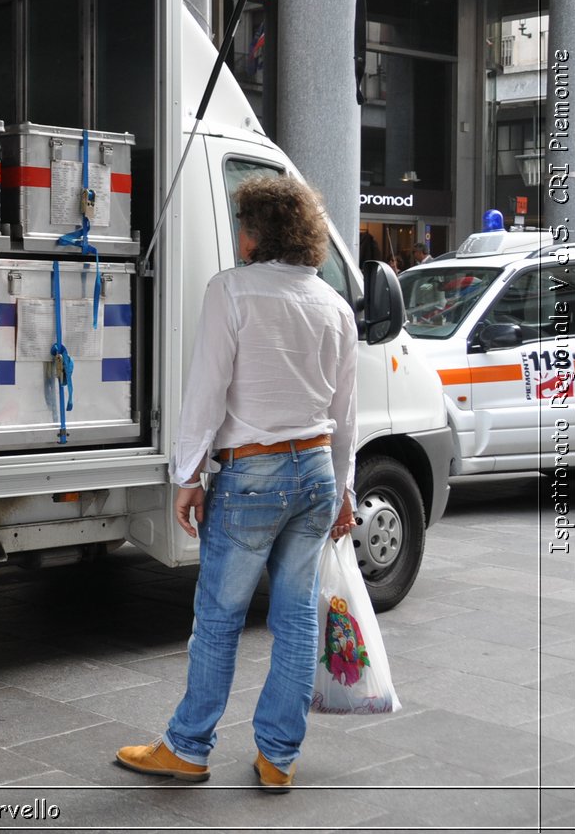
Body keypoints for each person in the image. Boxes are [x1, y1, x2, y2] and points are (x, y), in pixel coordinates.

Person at [114, 175, 357, 794]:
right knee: (297, 618)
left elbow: (207, 390)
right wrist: (346, 492)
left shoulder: (233, 290)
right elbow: (346, 410)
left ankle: (188, 748)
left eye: (242, 223)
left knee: (219, 616)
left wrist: (187, 473)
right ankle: (279, 757)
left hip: (253, 471)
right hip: (317, 471)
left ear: (254, 233)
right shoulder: (334, 306)